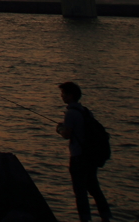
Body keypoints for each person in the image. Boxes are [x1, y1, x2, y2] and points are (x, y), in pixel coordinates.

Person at [56, 81, 111, 222]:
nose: (62, 97)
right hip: (90, 157)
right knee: (94, 189)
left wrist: (59, 129)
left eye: (64, 94)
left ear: (70, 95)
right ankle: (106, 217)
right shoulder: (86, 111)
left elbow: (66, 134)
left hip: (78, 158)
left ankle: (85, 219)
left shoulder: (70, 113)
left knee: (80, 192)